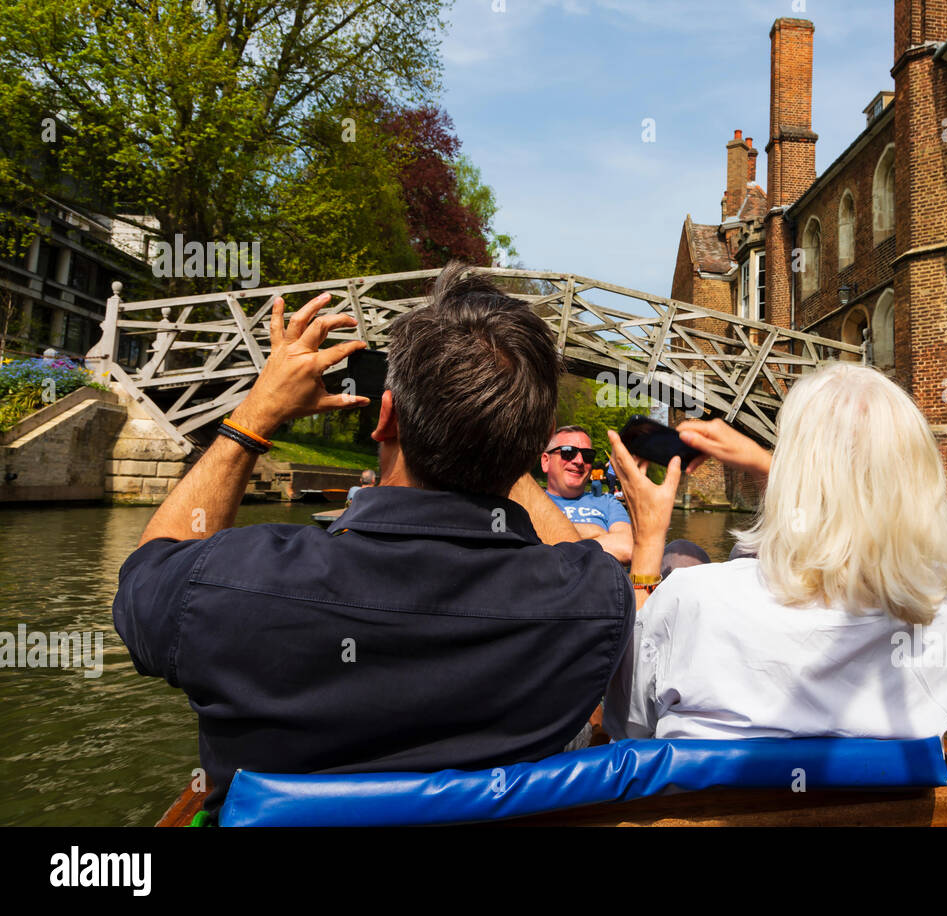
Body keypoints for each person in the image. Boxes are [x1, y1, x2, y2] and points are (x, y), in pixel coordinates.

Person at [113, 263, 633, 812]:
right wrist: (499, 436)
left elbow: (148, 572)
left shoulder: (227, 581)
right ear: (531, 448)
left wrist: (254, 416)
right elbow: (572, 552)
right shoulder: (594, 602)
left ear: (385, 418)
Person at [602, 363, 947, 742]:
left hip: (707, 806)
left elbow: (625, 724)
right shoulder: (940, 595)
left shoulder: (694, 597)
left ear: (795, 466)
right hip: (885, 802)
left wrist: (649, 543)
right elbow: (844, 522)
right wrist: (762, 462)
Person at [541, 426, 633, 564]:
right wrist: (597, 532)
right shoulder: (531, 503)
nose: (579, 461)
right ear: (546, 461)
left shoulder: (608, 502)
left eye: (587, 455)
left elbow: (626, 549)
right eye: (568, 452)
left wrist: (549, 532)